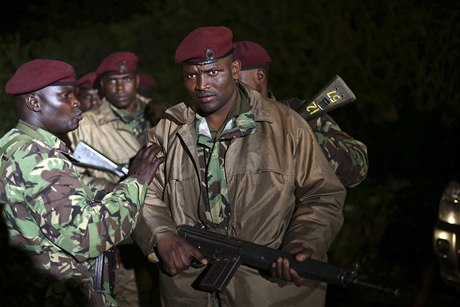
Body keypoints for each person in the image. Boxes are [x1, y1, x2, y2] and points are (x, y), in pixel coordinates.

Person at [133, 26, 346, 306]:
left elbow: (321, 194)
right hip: (190, 292)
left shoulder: (285, 125)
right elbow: (142, 192)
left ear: (235, 70)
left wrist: (303, 243)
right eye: (190, 75)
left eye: (213, 72)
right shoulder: (168, 130)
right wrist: (162, 236)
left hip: (269, 291)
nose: (201, 85)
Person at [0, 59, 164, 306]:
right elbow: (87, 237)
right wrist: (136, 181)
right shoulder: (40, 160)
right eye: (66, 95)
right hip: (62, 292)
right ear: (34, 102)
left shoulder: (11, 144)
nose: (76, 102)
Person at [67, 52, 159, 306]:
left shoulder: (161, 116)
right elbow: (75, 180)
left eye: (126, 79)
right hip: (120, 232)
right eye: (112, 81)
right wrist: (115, 186)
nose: (120, 87)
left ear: (136, 81)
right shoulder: (86, 125)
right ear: (102, 86)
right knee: (127, 298)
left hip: (164, 229)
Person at [233, 40, 369, 188]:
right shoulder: (215, 121)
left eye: (235, 77)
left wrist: (297, 138)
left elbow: (357, 169)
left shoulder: (297, 112)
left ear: (259, 76)